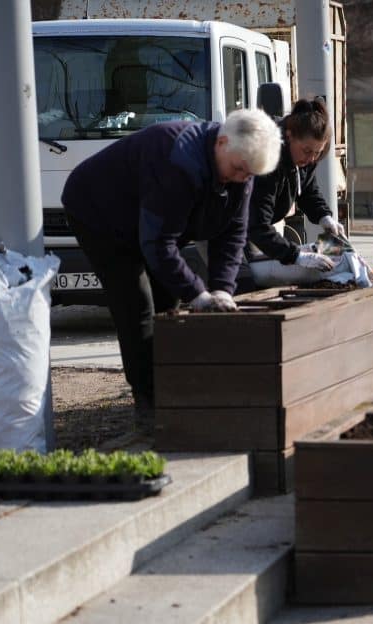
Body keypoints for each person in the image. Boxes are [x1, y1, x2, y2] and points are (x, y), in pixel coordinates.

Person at [61, 109, 282, 447]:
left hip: (151, 220)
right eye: (238, 169)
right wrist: (199, 294)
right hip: (101, 214)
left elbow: (232, 234)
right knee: (137, 308)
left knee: (169, 303)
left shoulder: (240, 168)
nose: (241, 179)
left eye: (249, 174)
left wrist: (222, 290)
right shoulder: (175, 158)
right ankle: (149, 410)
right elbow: (158, 244)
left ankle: (173, 395)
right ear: (221, 142)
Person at [245, 98, 344, 279]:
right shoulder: (268, 158)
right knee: (243, 279)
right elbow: (257, 226)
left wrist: (324, 216)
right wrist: (295, 255)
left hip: (251, 226)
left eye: (318, 152)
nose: (312, 159)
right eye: (307, 151)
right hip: (224, 223)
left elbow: (307, 190)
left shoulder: (305, 157)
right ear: (289, 136)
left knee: (336, 257)